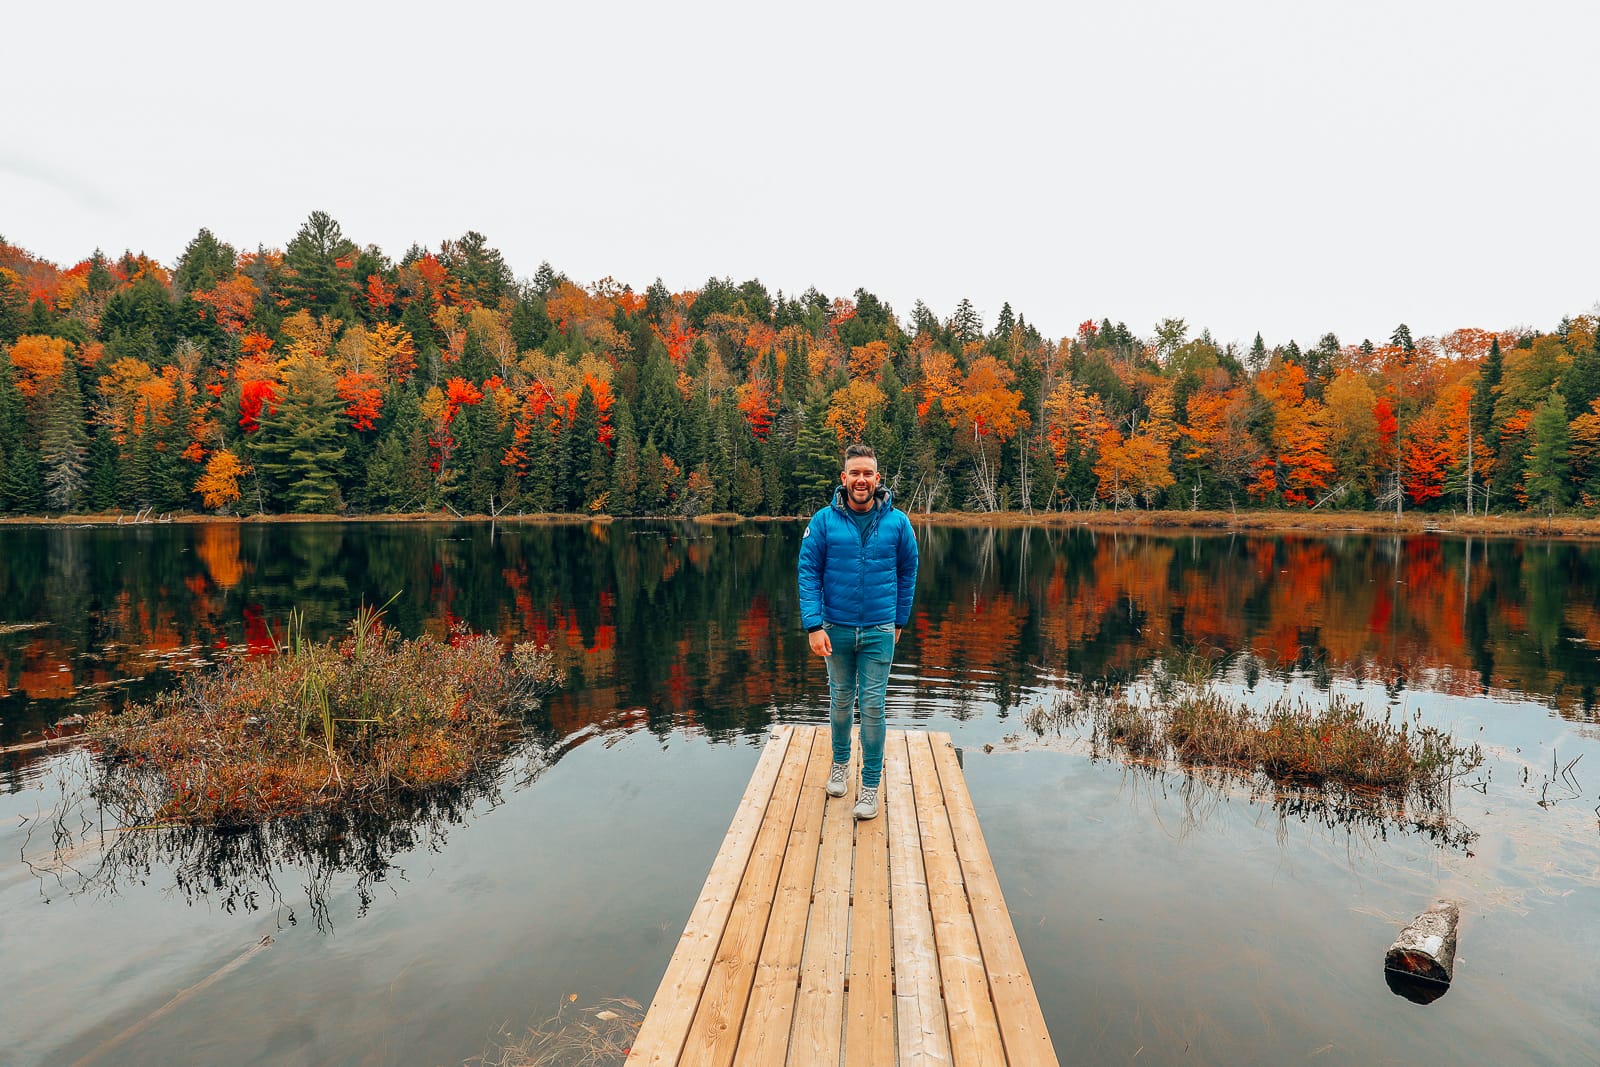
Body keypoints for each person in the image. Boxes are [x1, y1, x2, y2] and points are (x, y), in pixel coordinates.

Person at [797, 443, 919, 820]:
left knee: (873, 706)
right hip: (836, 628)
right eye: (855, 473)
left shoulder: (898, 522)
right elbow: (808, 573)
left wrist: (899, 621)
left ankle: (868, 787)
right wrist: (813, 626)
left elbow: (908, 571)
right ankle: (839, 764)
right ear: (844, 478)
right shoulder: (823, 521)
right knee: (840, 701)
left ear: (877, 478)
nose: (861, 480)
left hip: (880, 628)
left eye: (868, 473)